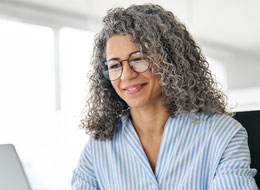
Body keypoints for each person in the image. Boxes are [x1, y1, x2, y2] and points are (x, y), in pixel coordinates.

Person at [71, 4, 258, 190]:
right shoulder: (98, 148)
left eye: (138, 58)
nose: (126, 75)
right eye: (114, 65)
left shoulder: (223, 134)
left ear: (171, 61)